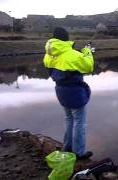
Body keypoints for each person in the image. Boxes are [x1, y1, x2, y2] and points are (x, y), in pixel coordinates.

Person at [43, 27, 94, 159]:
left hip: (61, 91)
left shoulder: (49, 54)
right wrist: (88, 52)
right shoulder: (72, 55)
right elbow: (88, 66)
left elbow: (66, 62)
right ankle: (78, 153)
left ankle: (67, 148)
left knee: (69, 119)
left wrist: (78, 52)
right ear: (66, 38)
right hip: (75, 92)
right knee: (79, 123)